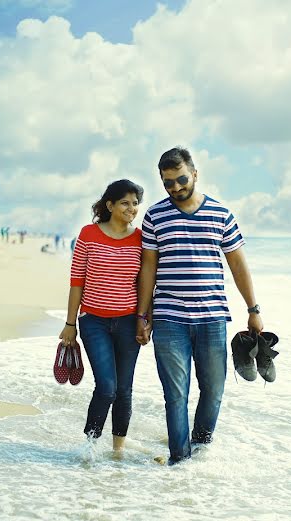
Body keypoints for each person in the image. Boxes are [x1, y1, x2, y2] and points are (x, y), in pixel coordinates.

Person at [136, 147, 264, 465]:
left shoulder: (221, 214)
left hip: (212, 318)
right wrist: (142, 314)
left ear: (195, 173)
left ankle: (201, 451)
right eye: (168, 183)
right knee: (176, 394)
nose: (176, 187)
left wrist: (254, 309)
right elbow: (148, 268)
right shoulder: (155, 215)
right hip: (169, 318)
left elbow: (238, 265)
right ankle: (180, 461)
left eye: (181, 179)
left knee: (213, 392)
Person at [60, 179, 144, 455]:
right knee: (107, 386)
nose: (131, 208)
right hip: (93, 321)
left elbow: (146, 284)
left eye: (135, 203)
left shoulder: (141, 238)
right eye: (125, 203)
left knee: (124, 390)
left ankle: (118, 449)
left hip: (129, 322)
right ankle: (89, 446)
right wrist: (70, 323)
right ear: (110, 205)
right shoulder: (88, 234)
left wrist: (145, 319)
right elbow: (77, 282)